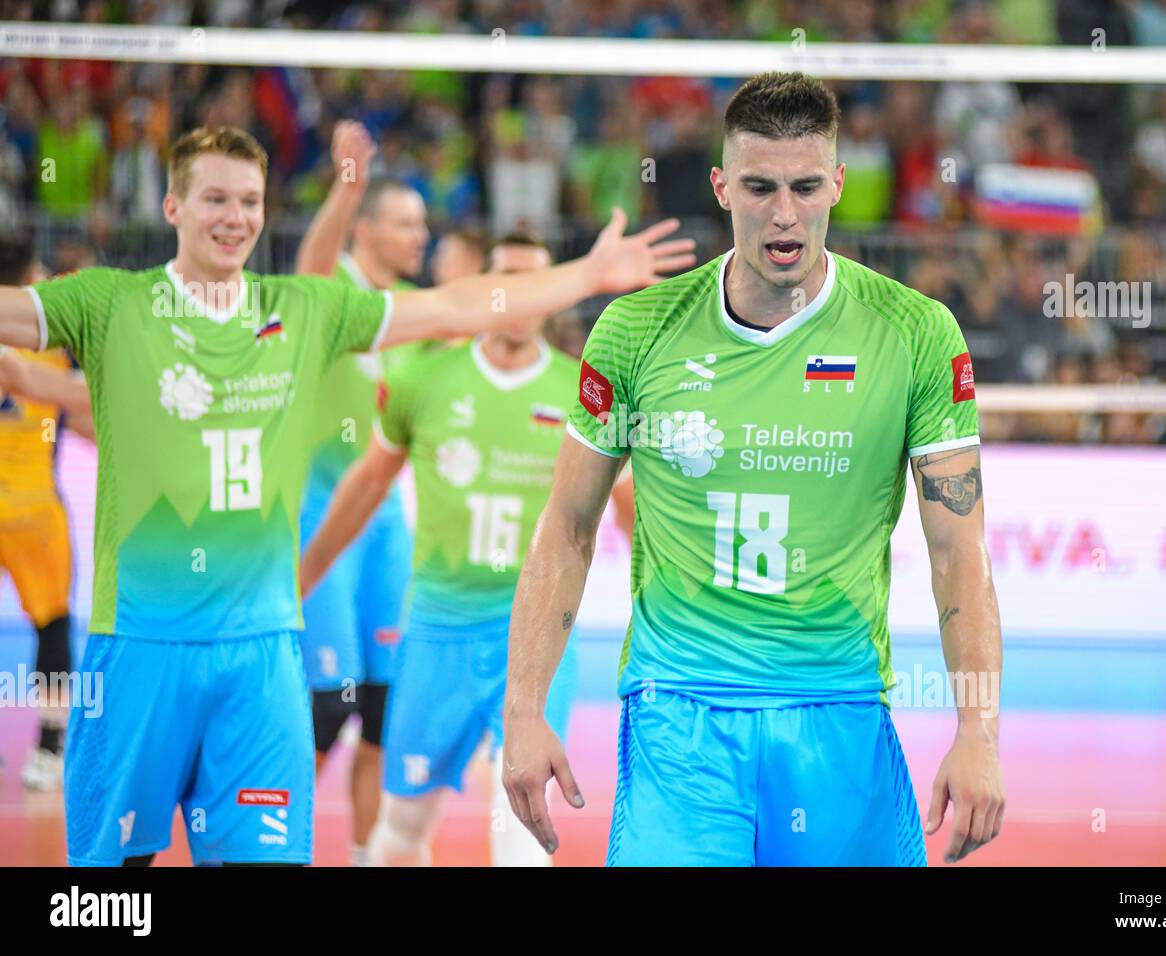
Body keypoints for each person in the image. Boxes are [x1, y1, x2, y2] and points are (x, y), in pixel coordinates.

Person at [0, 124, 694, 867]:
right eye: (214, 199)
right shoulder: (110, 303)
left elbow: (458, 305)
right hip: (140, 646)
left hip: (263, 659)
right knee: (108, 898)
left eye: (249, 201)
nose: (234, 217)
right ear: (172, 206)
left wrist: (589, 274)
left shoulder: (304, 310)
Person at [502, 72, 1005, 866]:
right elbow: (567, 526)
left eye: (806, 187)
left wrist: (978, 731)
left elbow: (958, 550)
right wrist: (524, 713)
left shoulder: (914, 333)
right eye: (759, 187)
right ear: (721, 187)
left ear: (838, 184)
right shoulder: (637, 330)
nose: (784, 213)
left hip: (837, 710)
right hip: (679, 717)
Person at [301, 232, 605, 866]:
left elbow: (627, 508)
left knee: (522, 832)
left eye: (535, 281)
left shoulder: (583, 392)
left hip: (536, 635)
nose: (521, 296)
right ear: (486, 288)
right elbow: (365, 489)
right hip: (438, 632)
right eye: (508, 279)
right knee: (403, 827)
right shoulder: (423, 378)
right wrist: (299, 580)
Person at [291, 122, 485, 867]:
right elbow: (311, 265)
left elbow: (480, 329)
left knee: (380, 712)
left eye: (424, 224)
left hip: (386, 528)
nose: (420, 235)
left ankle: (368, 857)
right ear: (366, 229)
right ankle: (262, 847)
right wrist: (346, 185)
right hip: (321, 519)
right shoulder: (332, 291)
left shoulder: (416, 308)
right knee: (326, 709)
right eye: (406, 223)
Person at [0, 235, 91, 792]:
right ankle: (49, 750)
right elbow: (80, 409)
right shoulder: (50, 338)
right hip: (34, 510)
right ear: (30, 275)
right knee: (52, 624)